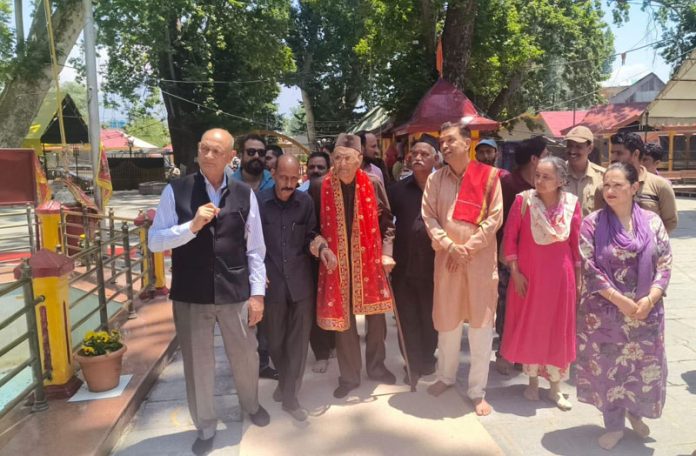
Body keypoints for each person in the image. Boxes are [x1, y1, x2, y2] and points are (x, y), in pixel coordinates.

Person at [149, 129, 270, 455]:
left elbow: (255, 250)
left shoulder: (245, 194)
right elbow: (154, 240)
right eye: (204, 148)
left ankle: (251, 404)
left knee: (246, 355)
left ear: (231, 156)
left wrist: (257, 295)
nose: (208, 155)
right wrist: (190, 227)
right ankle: (205, 425)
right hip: (191, 294)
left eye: (216, 150)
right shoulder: (177, 190)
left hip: (236, 291)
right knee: (198, 364)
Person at [576, 162, 672, 450]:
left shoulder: (653, 222)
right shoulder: (592, 223)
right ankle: (614, 425)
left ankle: (636, 411)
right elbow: (590, 266)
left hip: (646, 311)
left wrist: (650, 298)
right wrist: (621, 301)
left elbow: (665, 263)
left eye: (618, 185)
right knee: (609, 368)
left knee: (643, 367)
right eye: (607, 184)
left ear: (634, 188)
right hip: (605, 313)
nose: (610, 190)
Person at [422, 120, 503, 416]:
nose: (444, 145)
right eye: (441, 141)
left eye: (450, 140)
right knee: (448, 322)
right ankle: (445, 376)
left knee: (481, 328)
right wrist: (450, 246)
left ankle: (477, 391)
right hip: (447, 262)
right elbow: (429, 217)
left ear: (467, 142)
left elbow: (494, 219)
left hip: (479, 263)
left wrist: (467, 249)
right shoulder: (435, 180)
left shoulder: (490, 177)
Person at [311, 133, 397, 398]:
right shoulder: (320, 186)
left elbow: (388, 223)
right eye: (337, 157)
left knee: (377, 320)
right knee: (344, 323)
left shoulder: (373, 183)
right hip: (337, 266)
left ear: (360, 158)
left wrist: (386, 253)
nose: (342, 163)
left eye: (348, 158)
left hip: (370, 262)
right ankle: (349, 376)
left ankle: (376, 366)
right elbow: (312, 228)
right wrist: (322, 247)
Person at [258, 155, 336, 421]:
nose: (289, 184)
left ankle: (291, 397)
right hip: (272, 285)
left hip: (301, 284)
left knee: (299, 345)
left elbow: (311, 234)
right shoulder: (258, 203)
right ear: (274, 173)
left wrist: (321, 247)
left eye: (293, 179)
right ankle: (285, 383)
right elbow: (250, 244)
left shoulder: (304, 202)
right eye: (283, 177)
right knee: (276, 343)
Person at [500, 156, 581, 410]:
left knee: (557, 327)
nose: (540, 180)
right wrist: (515, 273)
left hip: (561, 279)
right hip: (528, 278)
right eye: (538, 175)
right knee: (532, 326)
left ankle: (556, 387)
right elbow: (510, 239)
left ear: (561, 180)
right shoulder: (523, 201)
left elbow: (577, 245)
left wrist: (578, 281)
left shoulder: (572, 205)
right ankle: (532, 381)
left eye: (546, 176)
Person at [495, 136, 549, 375]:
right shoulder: (509, 183)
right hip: (510, 256)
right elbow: (500, 223)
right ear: (534, 159)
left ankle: (524, 353)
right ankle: (505, 354)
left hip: (537, 258)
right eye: (546, 155)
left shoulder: (546, 185)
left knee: (530, 305)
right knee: (508, 305)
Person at [388, 134, 439, 385]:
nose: (417, 157)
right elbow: (386, 225)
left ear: (436, 160)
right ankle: (412, 363)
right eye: (415, 153)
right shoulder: (397, 190)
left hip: (435, 269)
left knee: (431, 318)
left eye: (424, 154)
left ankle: (428, 359)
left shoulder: (444, 189)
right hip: (404, 268)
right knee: (406, 319)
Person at [230, 133, 277, 380]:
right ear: (240, 155)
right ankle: (243, 364)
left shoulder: (274, 183)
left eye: (261, 152)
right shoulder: (228, 185)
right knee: (239, 317)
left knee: (264, 315)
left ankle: (263, 363)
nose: (257, 156)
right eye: (251, 152)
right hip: (235, 262)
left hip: (268, 260)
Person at [610, 132, 678, 233]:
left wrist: (651, 242)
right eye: (612, 153)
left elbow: (670, 222)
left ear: (636, 154)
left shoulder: (660, 186)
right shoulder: (605, 187)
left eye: (619, 153)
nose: (613, 158)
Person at [564, 125, 605, 217]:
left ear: (590, 148)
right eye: (569, 146)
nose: (572, 151)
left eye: (578, 147)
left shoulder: (603, 177)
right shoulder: (556, 174)